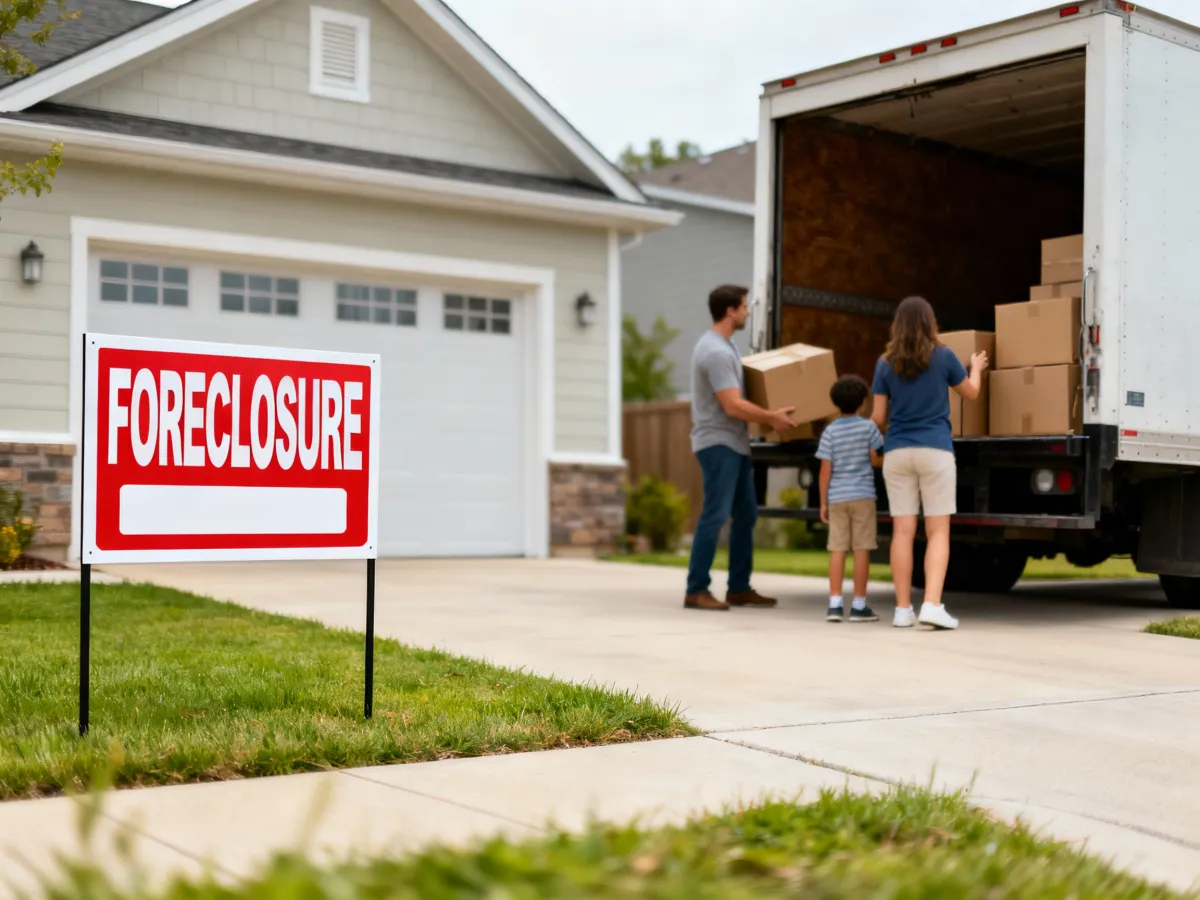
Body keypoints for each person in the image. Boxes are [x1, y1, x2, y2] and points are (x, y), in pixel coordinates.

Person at [871, 296, 987, 630]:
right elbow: (971, 393)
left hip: (896, 453)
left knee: (902, 531)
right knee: (937, 531)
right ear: (929, 322)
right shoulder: (944, 356)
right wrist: (975, 370)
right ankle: (932, 605)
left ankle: (902, 609)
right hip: (935, 451)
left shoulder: (885, 363)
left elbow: (878, 417)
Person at [684, 284, 796, 611]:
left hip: (734, 443)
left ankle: (739, 587)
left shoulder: (727, 346)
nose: (748, 312)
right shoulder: (715, 352)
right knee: (715, 515)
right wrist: (771, 417)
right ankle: (696, 588)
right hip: (718, 442)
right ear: (730, 311)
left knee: (745, 513)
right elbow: (732, 405)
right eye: (745, 307)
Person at [817, 375, 885, 623]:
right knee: (861, 549)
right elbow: (875, 459)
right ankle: (858, 605)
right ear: (863, 402)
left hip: (837, 497)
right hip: (863, 496)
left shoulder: (830, 431)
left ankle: (834, 605)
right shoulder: (869, 428)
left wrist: (823, 502)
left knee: (837, 549)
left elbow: (825, 469)